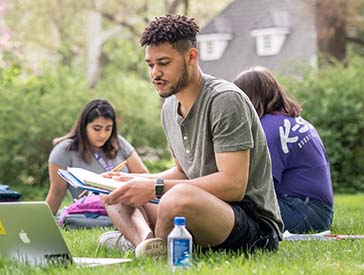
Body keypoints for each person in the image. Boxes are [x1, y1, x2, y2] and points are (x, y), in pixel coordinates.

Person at [97, 15, 283, 258]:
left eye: (163, 63)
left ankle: (147, 243)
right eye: (150, 65)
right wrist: (131, 180)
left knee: (176, 198)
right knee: (114, 190)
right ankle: (147, 244)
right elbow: (183, 172)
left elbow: (233, 185)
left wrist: (155, 187)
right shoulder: (169, 108)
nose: (155, 73)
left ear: (191, 57)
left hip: (249, 223)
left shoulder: (225, 100)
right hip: (195, 207)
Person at [233, 67, 333, 233]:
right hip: (317, 210)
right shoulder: (292, 120)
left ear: (246, 98)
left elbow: (258, 186)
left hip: (303, 212)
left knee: (234, 210)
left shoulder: (267, 130)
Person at [46, 99, 148, 216]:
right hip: (91, 211)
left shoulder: (119, 143)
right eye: (96, 128)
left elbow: (143, 174)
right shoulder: (64, 150)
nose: (102, 135)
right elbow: (56, 194)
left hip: (127, 206)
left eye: (108, 128)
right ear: (84, 126)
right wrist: (43, 221)